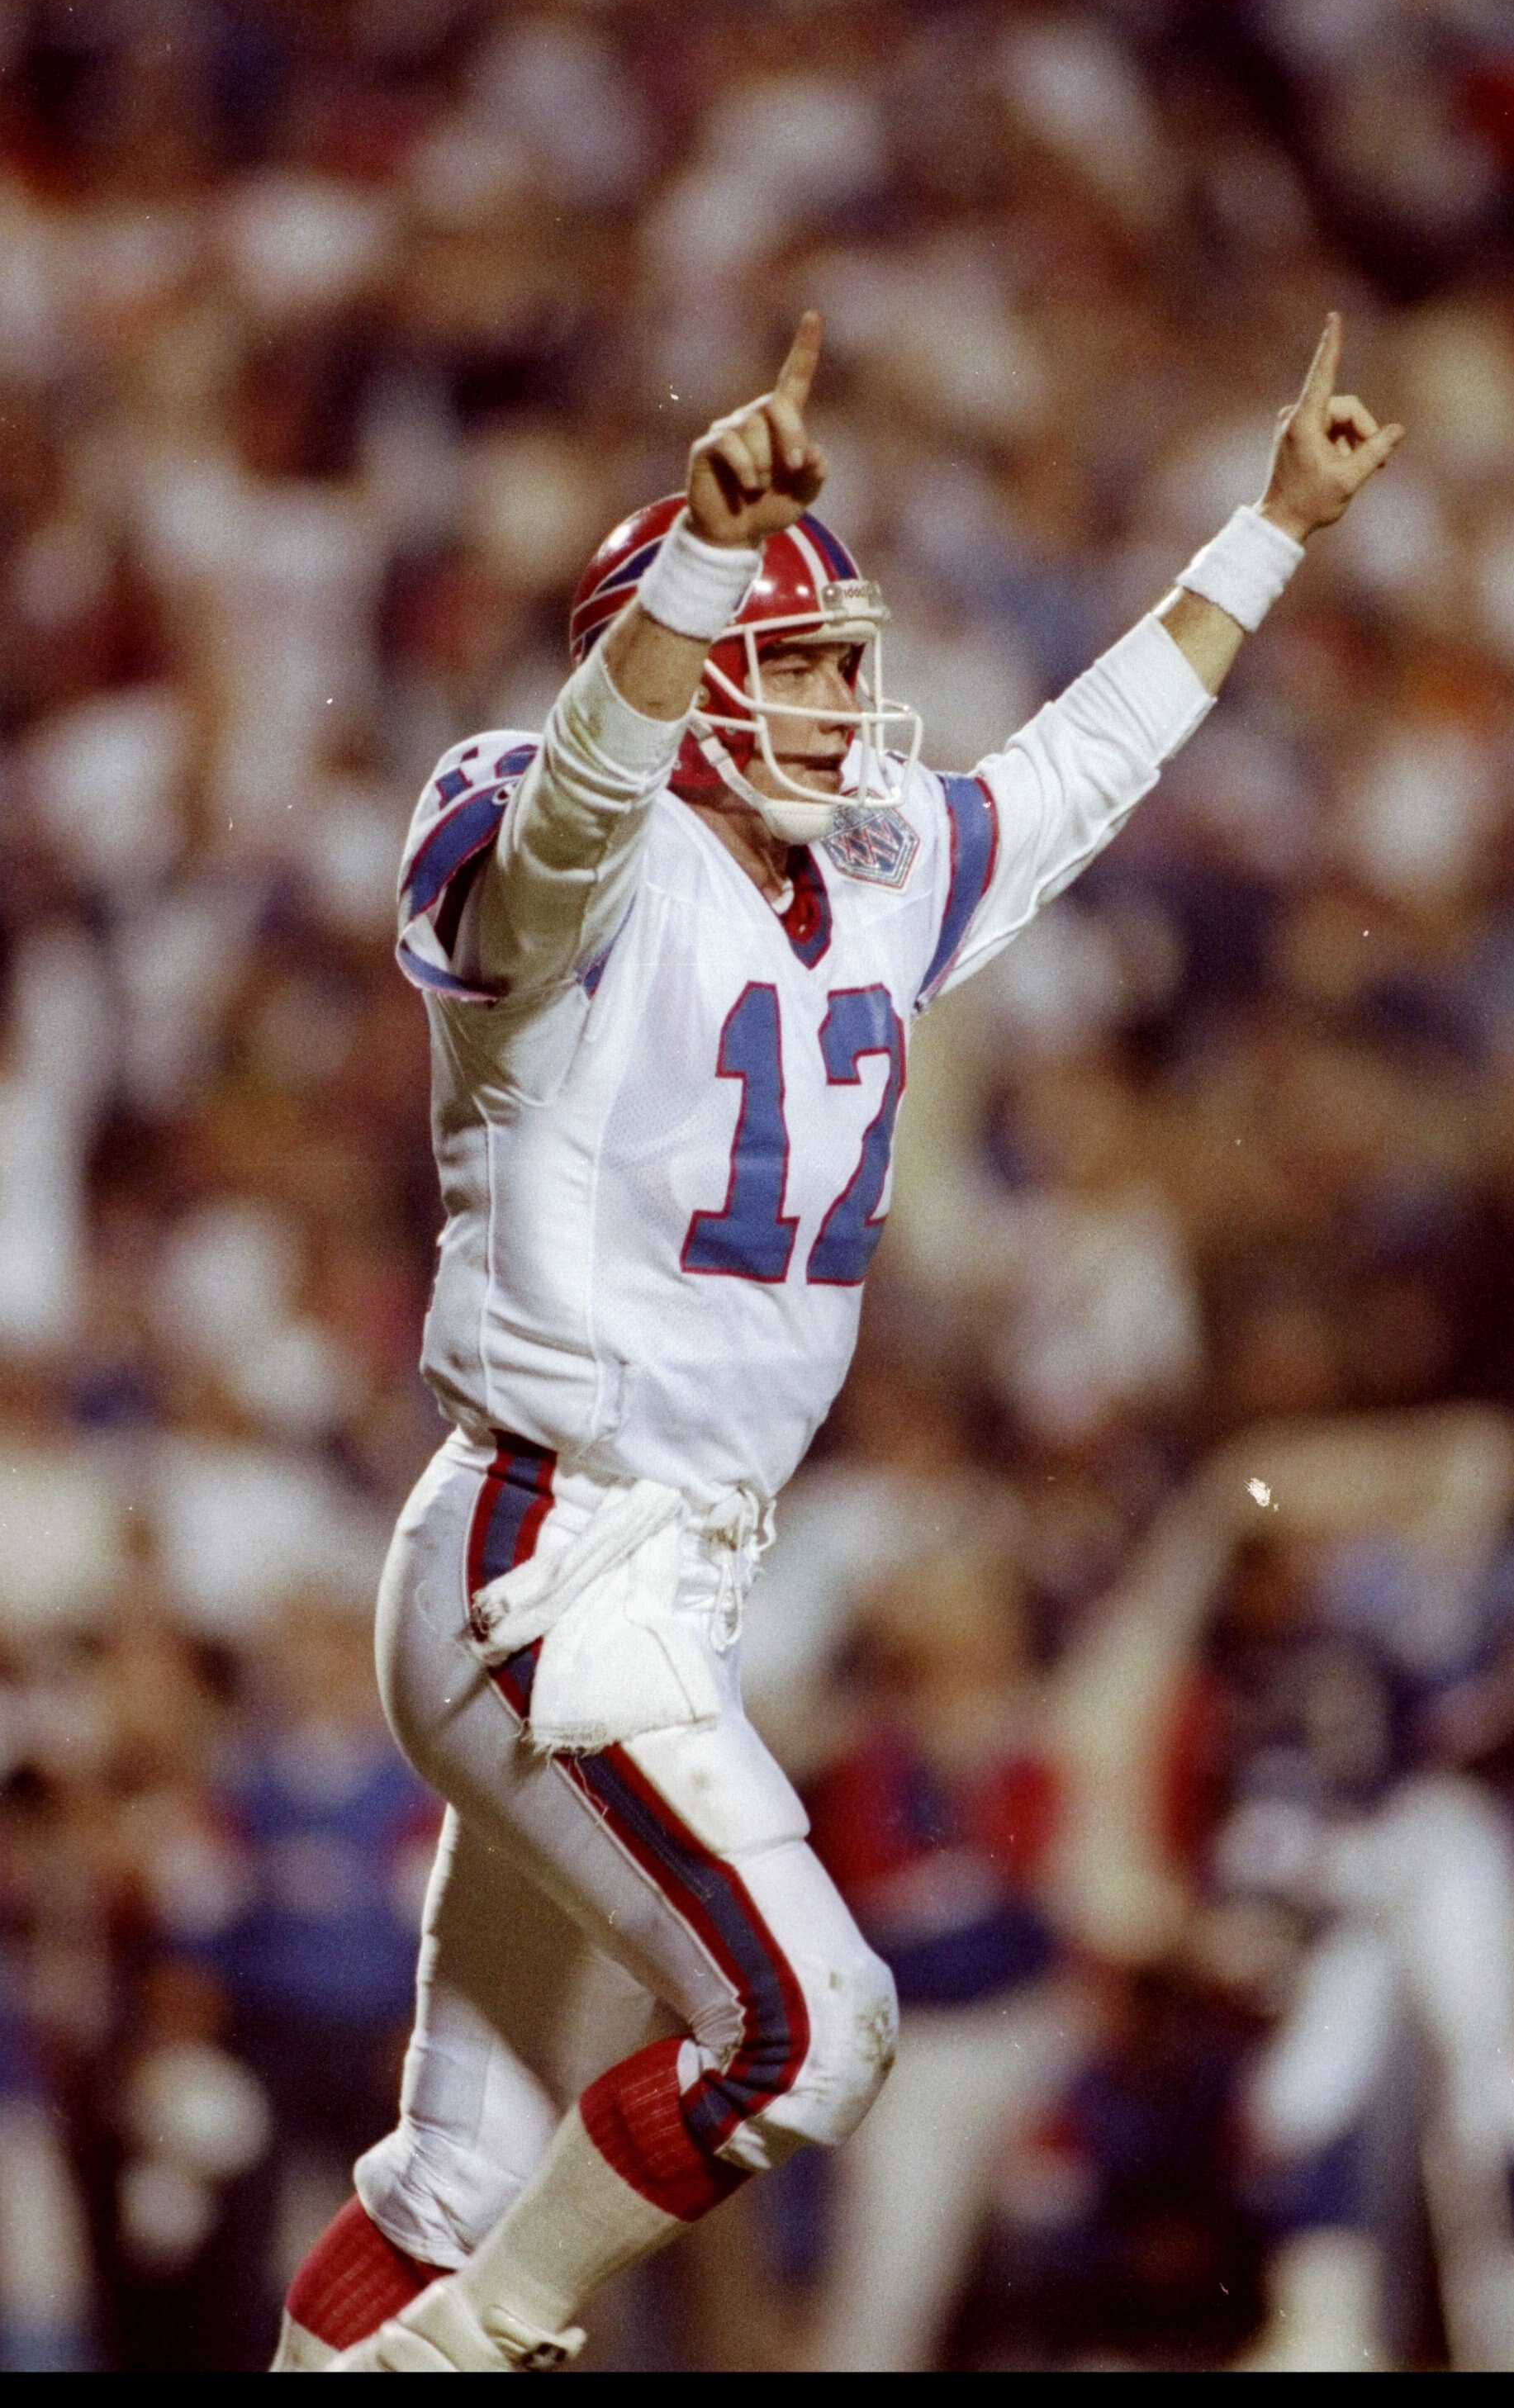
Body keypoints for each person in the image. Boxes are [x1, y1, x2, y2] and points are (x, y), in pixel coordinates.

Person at [272, 309, 1402, 2372]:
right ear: (682, 663)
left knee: (448, 2181)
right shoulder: (551, 825)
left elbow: (1070, 773)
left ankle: (413, 2320)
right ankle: (469, 2354)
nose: (834, 701)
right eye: (784, 664)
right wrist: (700, 569)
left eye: (830, 659)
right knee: (809, 2031)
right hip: (550, 1555)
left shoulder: (861, 870)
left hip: (666, 1575)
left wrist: (1265, 530)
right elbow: (543, 868)